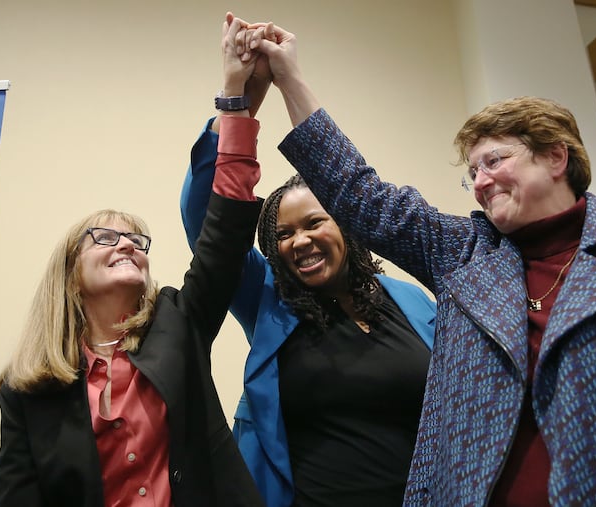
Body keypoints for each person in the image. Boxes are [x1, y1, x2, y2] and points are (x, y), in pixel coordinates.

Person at [238, 19, 596, 506]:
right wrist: (288, 77)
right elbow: (359, 192)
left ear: (557, 157)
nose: (480, 181)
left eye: (494, 161)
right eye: (473, 172)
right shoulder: (464, 254)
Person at [0, 18, 265, 505]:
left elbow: (222, 238)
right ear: (68, 275)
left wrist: (233, 99)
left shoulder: (177, 322)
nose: (127, 244)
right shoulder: (24, 390)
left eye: (136, 239)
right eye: (105, 236)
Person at [178, 13, 436, 507]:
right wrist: (240, 103)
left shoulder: (412, 302)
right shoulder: (267, 302)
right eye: (283, 234)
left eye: (315, 223)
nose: (300, 242)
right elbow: (204, 217)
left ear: (347, 224)